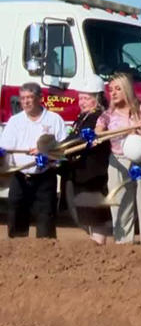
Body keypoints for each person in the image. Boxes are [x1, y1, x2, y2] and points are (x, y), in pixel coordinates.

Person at [96, 72, 141, 245]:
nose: (114, 93)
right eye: (111, 90)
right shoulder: (107, 115)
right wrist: (102, 134)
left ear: (127, 89)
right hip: (119, 162)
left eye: (118, 89)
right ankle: (123, 247)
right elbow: (98, 131)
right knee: (121, 207)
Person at [0, 82, 67, 238]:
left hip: (45, 177)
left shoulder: (54, 119)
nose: (26, 102)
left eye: (30, 97)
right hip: (20, 177)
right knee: (16, 222)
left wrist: (46, 153)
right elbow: (5, 148)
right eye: (23, 98)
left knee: (46, 225)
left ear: (40, 98)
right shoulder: (15, 121)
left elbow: (63, 150)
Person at [61, 74, 112, 245]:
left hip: (93, 174)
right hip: (80, 172)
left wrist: (56, 149)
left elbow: (79, 141)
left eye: (86, 98)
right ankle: (94, 244)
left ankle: (98, 247)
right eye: (80, 98)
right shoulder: (82, 117)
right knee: (84, 215)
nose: (81, 102)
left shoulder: (98, 117)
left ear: (96, 98)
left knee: (94, 215)